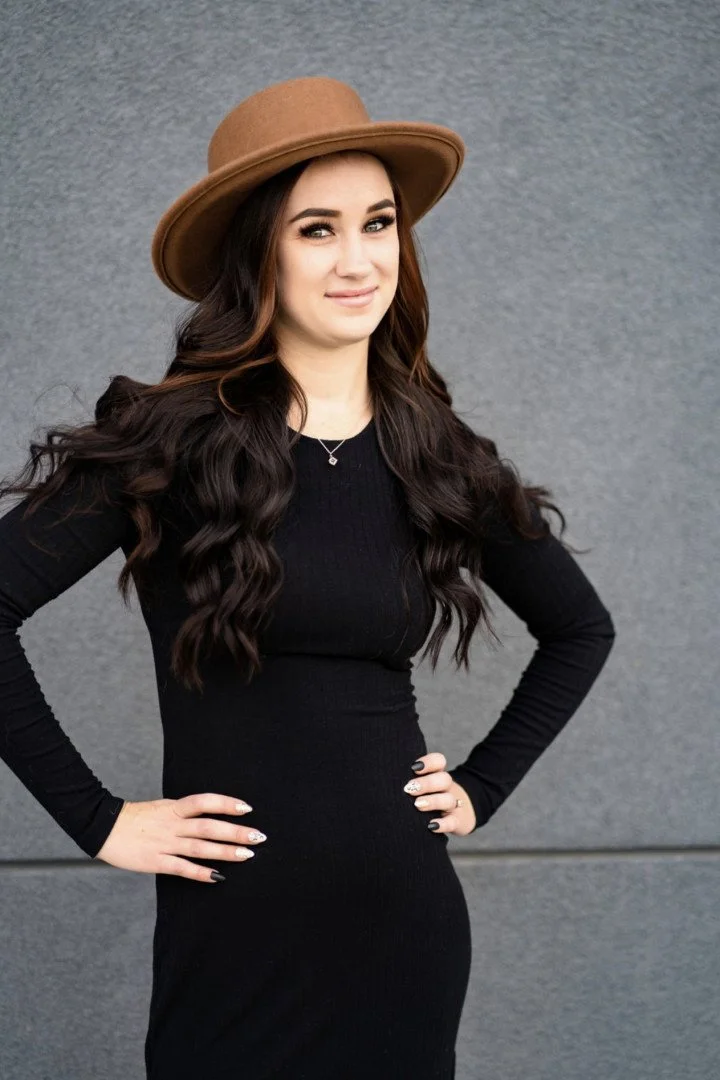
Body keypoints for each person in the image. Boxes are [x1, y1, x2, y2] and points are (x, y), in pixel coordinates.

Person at [0, 76, 616, 1079]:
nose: (358, 258)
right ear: (260, 254)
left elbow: (581, 629)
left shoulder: (439, 452)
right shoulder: (168, 444)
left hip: (403, 931)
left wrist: (481, 787)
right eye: (316, 230)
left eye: (377, 223)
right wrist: (97, 819)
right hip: (235, 938)